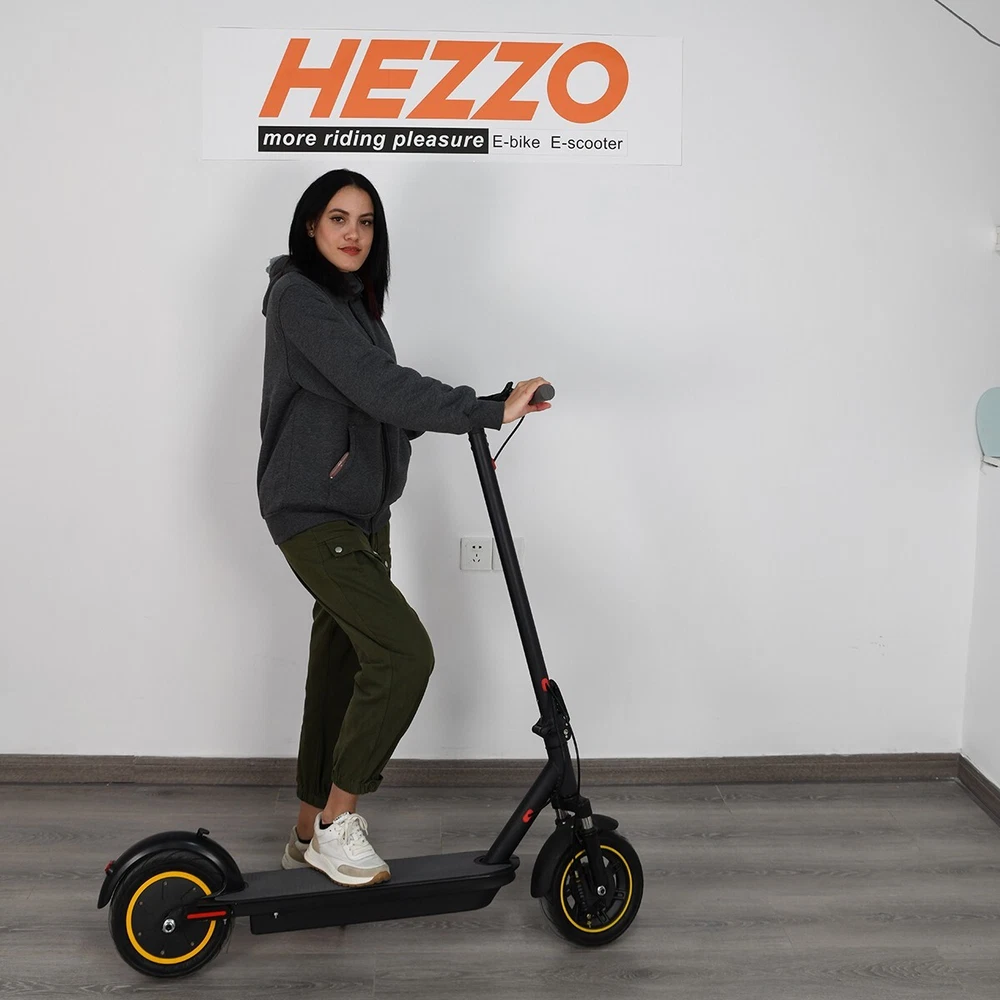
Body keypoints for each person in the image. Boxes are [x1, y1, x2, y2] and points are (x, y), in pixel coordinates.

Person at [257, 168, 551, 887]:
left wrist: (482, 404)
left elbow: (377, 408)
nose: (353, 233)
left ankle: (306, 832)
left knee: (340, 669)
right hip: (313, 511)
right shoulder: (299, 299)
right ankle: (338, 824)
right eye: (338, 218)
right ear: (310, 226)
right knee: (403, 655)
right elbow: (377, 386)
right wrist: (482, 411)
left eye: (365, 222)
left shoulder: (355, 305)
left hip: (363, 515)